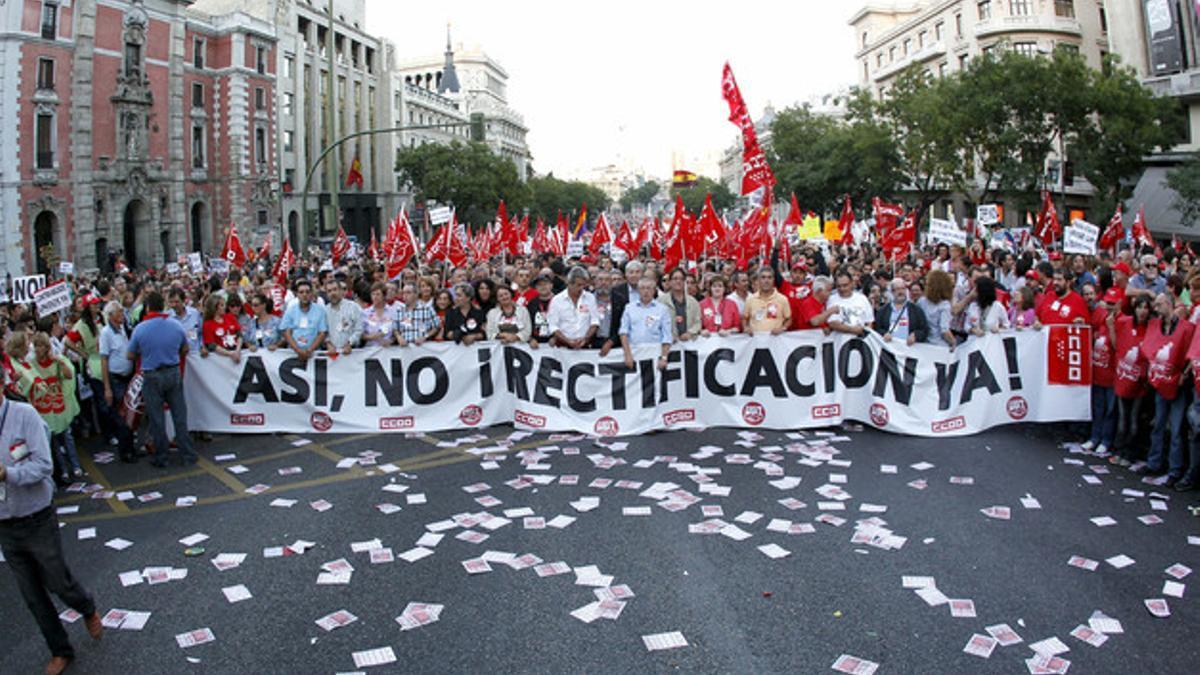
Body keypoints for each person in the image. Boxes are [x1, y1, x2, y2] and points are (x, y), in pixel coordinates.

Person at [0, 365, 103, 675]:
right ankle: (61, 650)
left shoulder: (24, 414)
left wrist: (8, 473)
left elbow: (44, 466)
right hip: (5, 523)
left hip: (37, 516)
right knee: (31, 594)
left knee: (57, 581)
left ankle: (86, 606)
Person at [126, 291, 195, 468]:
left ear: (147, 308)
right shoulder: (176, 325)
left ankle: (162, 457)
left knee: (157, 419)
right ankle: (187, 454)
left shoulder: (140, 328)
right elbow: (185, 348)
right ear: (163, 305)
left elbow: (130, 354)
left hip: (151, 375)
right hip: (172, 372)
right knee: (180, 416)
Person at [1137, 292, 1194, 485]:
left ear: (1169, 304)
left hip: (1177, 382)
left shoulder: (1186, 328)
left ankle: (1174, 470)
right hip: (1161, 380)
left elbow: (1193, 352)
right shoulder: (1156, 325)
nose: (1156, 308)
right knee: (1159, 423)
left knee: (1176, 428)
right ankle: (1154, 462)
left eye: (1160, 304)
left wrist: (1184, 375)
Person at [1111, 295, 1152, 467]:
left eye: (1146, 308)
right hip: (1123, 378)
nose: (1142, 311)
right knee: (1122, 420)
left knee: (1134, 421)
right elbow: (1116, 345)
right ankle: (1119, 451)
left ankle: (1130, 453)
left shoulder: (1152, 328)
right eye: (1139, 307)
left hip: (1140, 382)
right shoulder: (1125, 323)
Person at [98, 301, 137, 464]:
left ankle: (130, 447)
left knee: (130, 412)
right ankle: (125, 451)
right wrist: (107, 388)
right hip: (116, 378)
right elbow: (104, 360)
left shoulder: (122, 328)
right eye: (120, 313)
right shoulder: (106, 333)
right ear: (111, 316)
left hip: (128, 376)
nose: (123, 315)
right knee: (122, 415)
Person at [1084, 287, 1120, 456]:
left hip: (1112, 377)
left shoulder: (1121, 322)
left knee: (1109, 411)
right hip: (1097, 373)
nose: (1109, 306)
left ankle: (1106, 440)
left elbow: (1118, 347)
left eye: (1112, 303)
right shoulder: (1101, 317)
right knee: (1097, 409)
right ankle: (1094, 437)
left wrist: (1112, 327)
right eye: (1107, 302)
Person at [619, 277, 674, 370]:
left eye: (649, 288)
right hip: (634, 352)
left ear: (654, 291)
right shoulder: (629, 308)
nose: (646, 291)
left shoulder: (662, 309)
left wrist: (664, 357)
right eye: (643, 288)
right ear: (638, 290)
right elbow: (623, 332)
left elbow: (667, 335)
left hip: (655, 354)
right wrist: (627, 354)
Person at [548, 266, 599, 349]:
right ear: (569, 283)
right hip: (563, 348)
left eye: (583, 285)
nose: (581, 288)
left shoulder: (590, 298)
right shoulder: (557, 300)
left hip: (585, 346)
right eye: (578, 285)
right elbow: (553, 326)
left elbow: (595, 322)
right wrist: (568, 341)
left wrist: (585, 339)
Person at [279, 279, 328, 361]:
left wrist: (309, 350)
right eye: (301, 292)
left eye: (307, 292)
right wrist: (298, 350)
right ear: (297, 294)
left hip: (313, 354)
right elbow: (286, 332)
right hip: (293, 354)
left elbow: (322, 333)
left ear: (312, 293)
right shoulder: (290, 310)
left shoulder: (320, 310)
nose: (304, 295)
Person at [875, 278, 929, 345]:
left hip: (910, 349)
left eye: (903, 288)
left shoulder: (916, 310)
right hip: (890, 349)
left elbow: (924, 330)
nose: (900, 292)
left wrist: (915, 335)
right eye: (897, 289)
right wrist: (884, 334)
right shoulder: (883, 311)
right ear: (892, 291)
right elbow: (877, 329)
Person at [743, 265, 791, 336]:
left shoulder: (782, 299)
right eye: (763, 277)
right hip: (755, 343)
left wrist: (782, 328)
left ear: (773, 280)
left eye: (769, 277)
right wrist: (746, 328)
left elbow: (789, 319)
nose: (766, 281)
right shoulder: (750, 299)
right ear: (759, 280)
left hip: (776, 342)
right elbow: (744, 318)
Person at [658, 268, 700, 341]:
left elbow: (698, 322)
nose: (678, 281)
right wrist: (668, 334)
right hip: (669, 344)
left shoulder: (693, 302)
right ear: (670, 282)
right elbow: (657, 323)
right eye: (675, 278)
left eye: (681, 279)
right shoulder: (661, 301)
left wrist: (690, 333)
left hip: (689, 344)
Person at [826, 271, 874, 337]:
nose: (842, 289)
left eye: (845, 285)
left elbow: (869, 322)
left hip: (861, 340)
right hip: (840, 340)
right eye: (839, 286)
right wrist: (854, 330)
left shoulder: (862, 298)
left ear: (851, 283)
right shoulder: (832, 299)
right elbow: (833, 323)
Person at [323, 279, 363, 355]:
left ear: (341, 291)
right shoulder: (324, 311)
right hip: (332, 355)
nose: (332, 293)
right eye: (329, 291)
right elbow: (323, 332)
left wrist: (350, 343)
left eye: (335, 290)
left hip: (352, 353)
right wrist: (328, 343)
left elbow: (359, 329)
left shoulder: (353, 307)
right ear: (326, 294)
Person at [202, 295, 243, 364]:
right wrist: (230, 354)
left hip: (236, 353)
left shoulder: (230, 317)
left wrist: (237, 350)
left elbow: (239, 334)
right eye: (222, 305)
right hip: (221, 361)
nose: (225, 307)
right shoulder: (207, 325)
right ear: (214, 307)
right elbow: (212, 345)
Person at [919, 269, 955, 348]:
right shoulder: (945, 305)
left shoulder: (921, 301)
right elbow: (944, 330)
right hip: (939, 345)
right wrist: (953, 342)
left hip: (924, 343)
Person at [361, 282, 397, 347]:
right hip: (370, 350)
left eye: (378, 294)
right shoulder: (365, 313)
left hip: (389, 350)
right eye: (373, 294)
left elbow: (396, 333)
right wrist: (370, 337)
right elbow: (360, 334)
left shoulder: (393, 311)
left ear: (384, 296)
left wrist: (391, 341)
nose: (375, 297)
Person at [527, 274, 556, 347]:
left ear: (551, 285)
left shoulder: (559, 301)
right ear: (536, 288)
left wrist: (557, 338)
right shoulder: (531, 303)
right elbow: (527, 324)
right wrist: (530, 339)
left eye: (545, 284)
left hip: (556, 345)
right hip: (536, 345)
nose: (543, 287)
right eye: (539, 285)